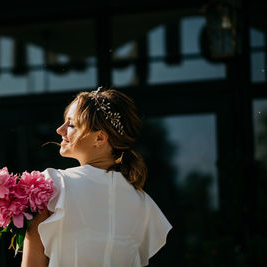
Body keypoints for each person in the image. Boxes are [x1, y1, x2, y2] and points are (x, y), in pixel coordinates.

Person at [21, 87, 172, 267]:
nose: (59, 130)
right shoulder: (143, 203)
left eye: (70, 125)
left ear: (100, 138)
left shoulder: (55, 185)